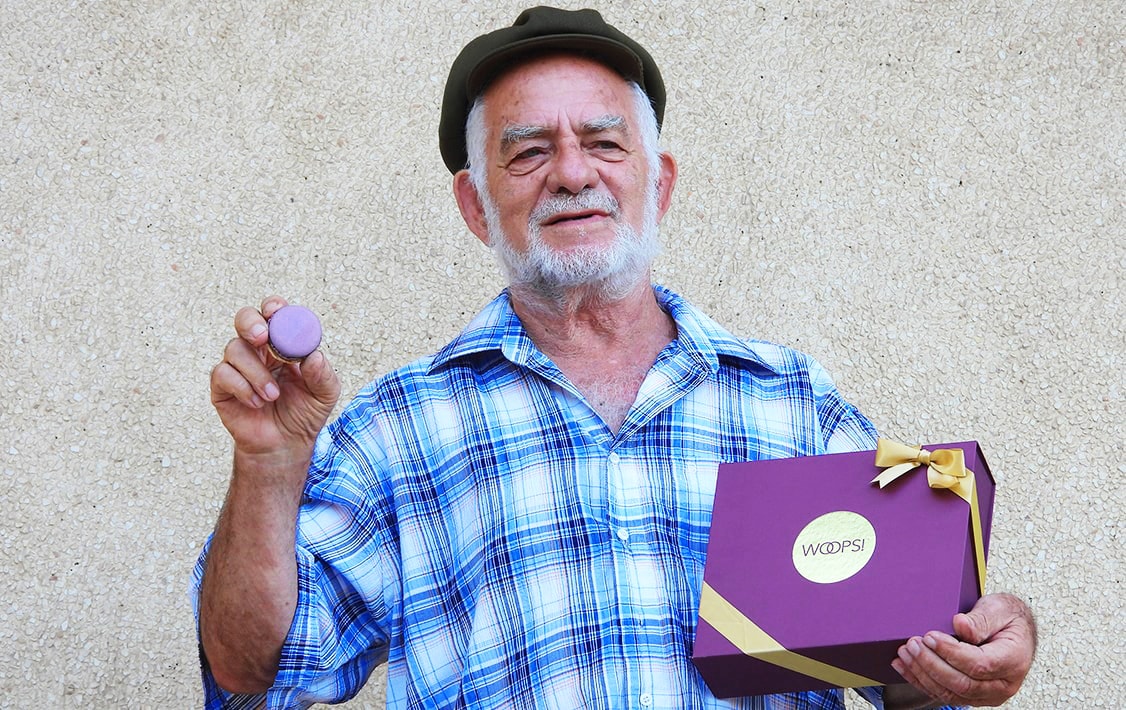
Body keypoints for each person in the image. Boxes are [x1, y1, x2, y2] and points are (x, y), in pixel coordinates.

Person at [193, 7, 1036, 709]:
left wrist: (973, 652)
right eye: (527, 151)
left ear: (658, 182)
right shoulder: (397, 430)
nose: (570, 172)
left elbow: (904, 667)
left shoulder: (793, 405)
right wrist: (270, 465)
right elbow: (255, 670)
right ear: (474, 206)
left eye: (604, 142)